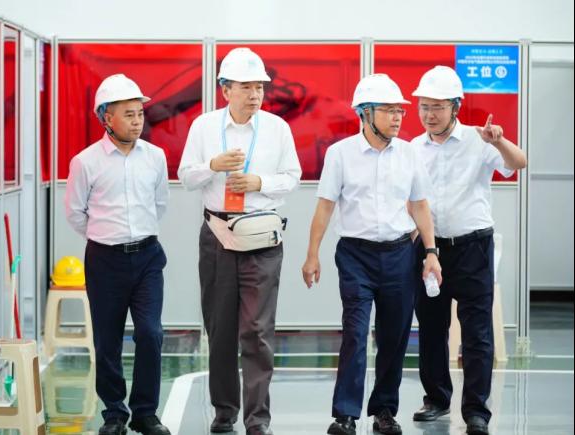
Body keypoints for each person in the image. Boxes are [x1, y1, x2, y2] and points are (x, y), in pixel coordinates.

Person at [301, 74, 441, 435]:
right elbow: (325, 207)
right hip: (355, 256)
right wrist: (312, 254)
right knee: (355, 331)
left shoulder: (409, 154)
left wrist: (430, 251)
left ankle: (384, 411)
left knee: (395, 336)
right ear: (365, 113)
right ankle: (345, 414)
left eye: (400, 111)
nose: (398, 117)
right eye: (388, 110)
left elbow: (420, 205)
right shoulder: (341, 154)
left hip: (400, 255)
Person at [178, 47, 301, 435]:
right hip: (217, 236)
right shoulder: (203, 127)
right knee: (220, 329)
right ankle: (224, 411)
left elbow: (293, 176)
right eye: (246, 87)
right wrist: (212, 166)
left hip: (262, 239)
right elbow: (185, 176)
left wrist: (258, 182)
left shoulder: (277, 129)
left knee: (258, 331)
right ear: (225, 89)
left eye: (259, 87)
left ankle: (258, 419)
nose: (254, 94)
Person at [410, 66, 527, 435]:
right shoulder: (412, 149)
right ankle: (436, 399)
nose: (429, 114)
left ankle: (476, 410)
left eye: (437, 107)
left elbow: (518, 163)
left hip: (473, 247)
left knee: (477, 332)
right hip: (429, 249)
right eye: (424, 106)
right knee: (431, 327)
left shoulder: (480, 140)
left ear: (455, 107)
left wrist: (499, 142)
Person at [65, 73, 171, 435]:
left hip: (148, 258)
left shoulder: (155, 157)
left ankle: (145, 413)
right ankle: (114, 413)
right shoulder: (85, 162)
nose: (137, 121)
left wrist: (134, 235)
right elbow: (75, 213)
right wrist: (105, 237)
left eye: (140, 113)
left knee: (151, 333)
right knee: (107, 340)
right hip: (104, 260)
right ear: (106, 118)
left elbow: (159, 204)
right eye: (129, 114)